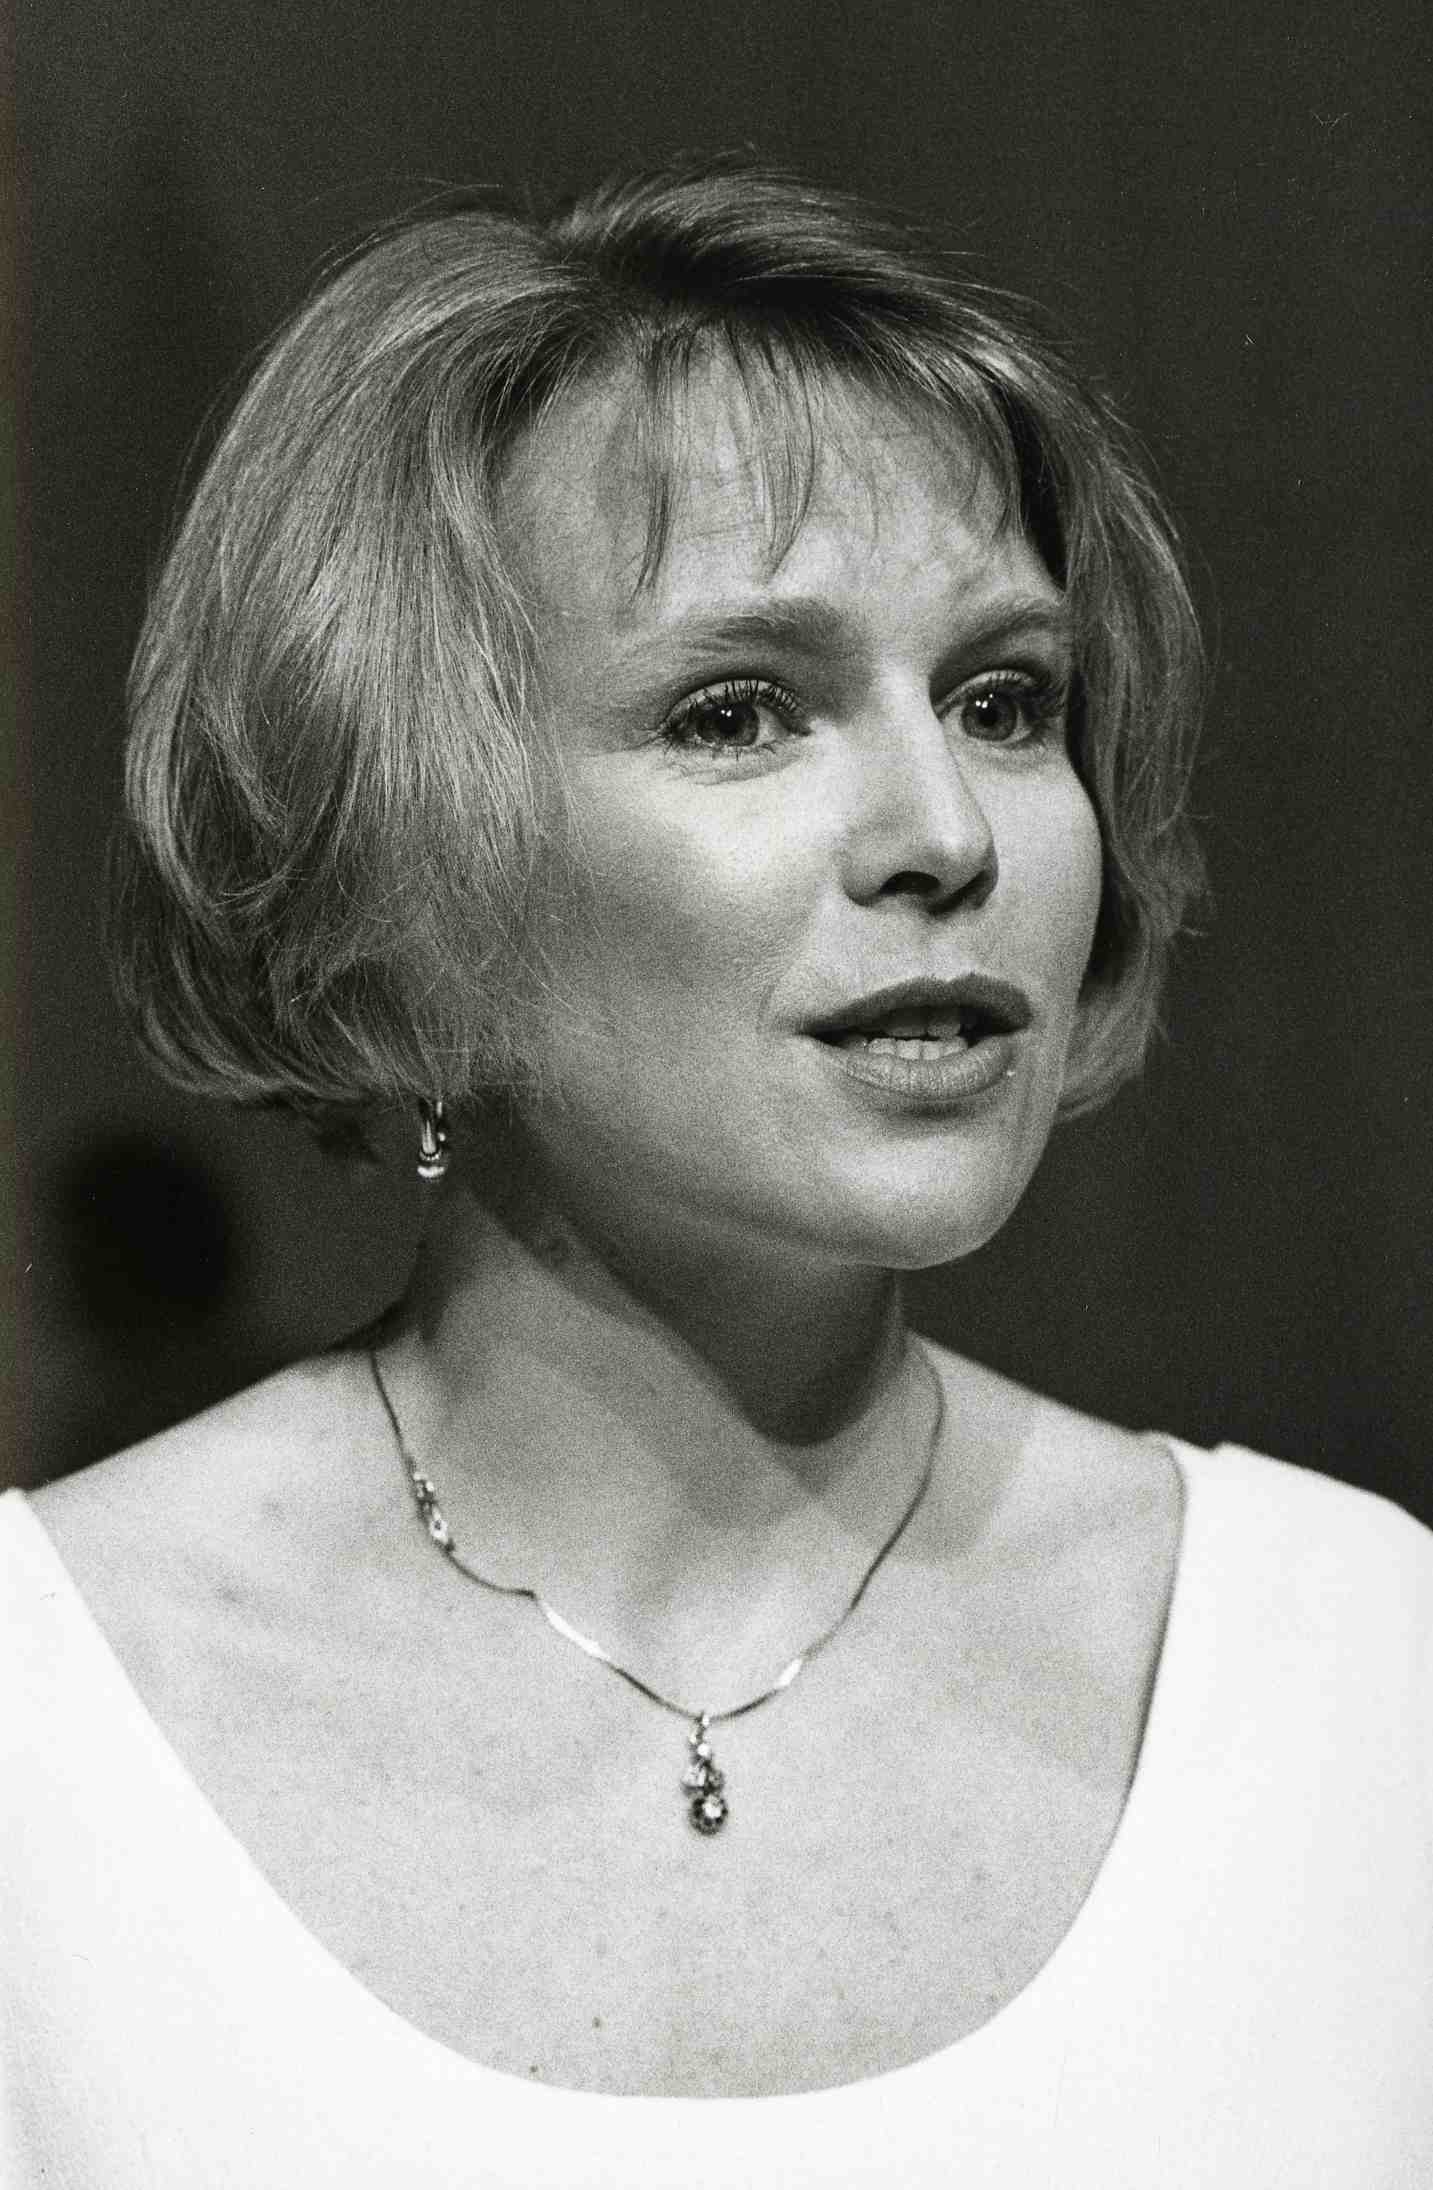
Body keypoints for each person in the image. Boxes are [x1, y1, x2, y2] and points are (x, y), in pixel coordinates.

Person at [2, 160, 1429, 2188]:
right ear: (397, 848)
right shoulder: (42, 1725)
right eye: (737, 710)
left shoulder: (1365, 1676)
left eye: (1004, 701)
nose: (947, 832)